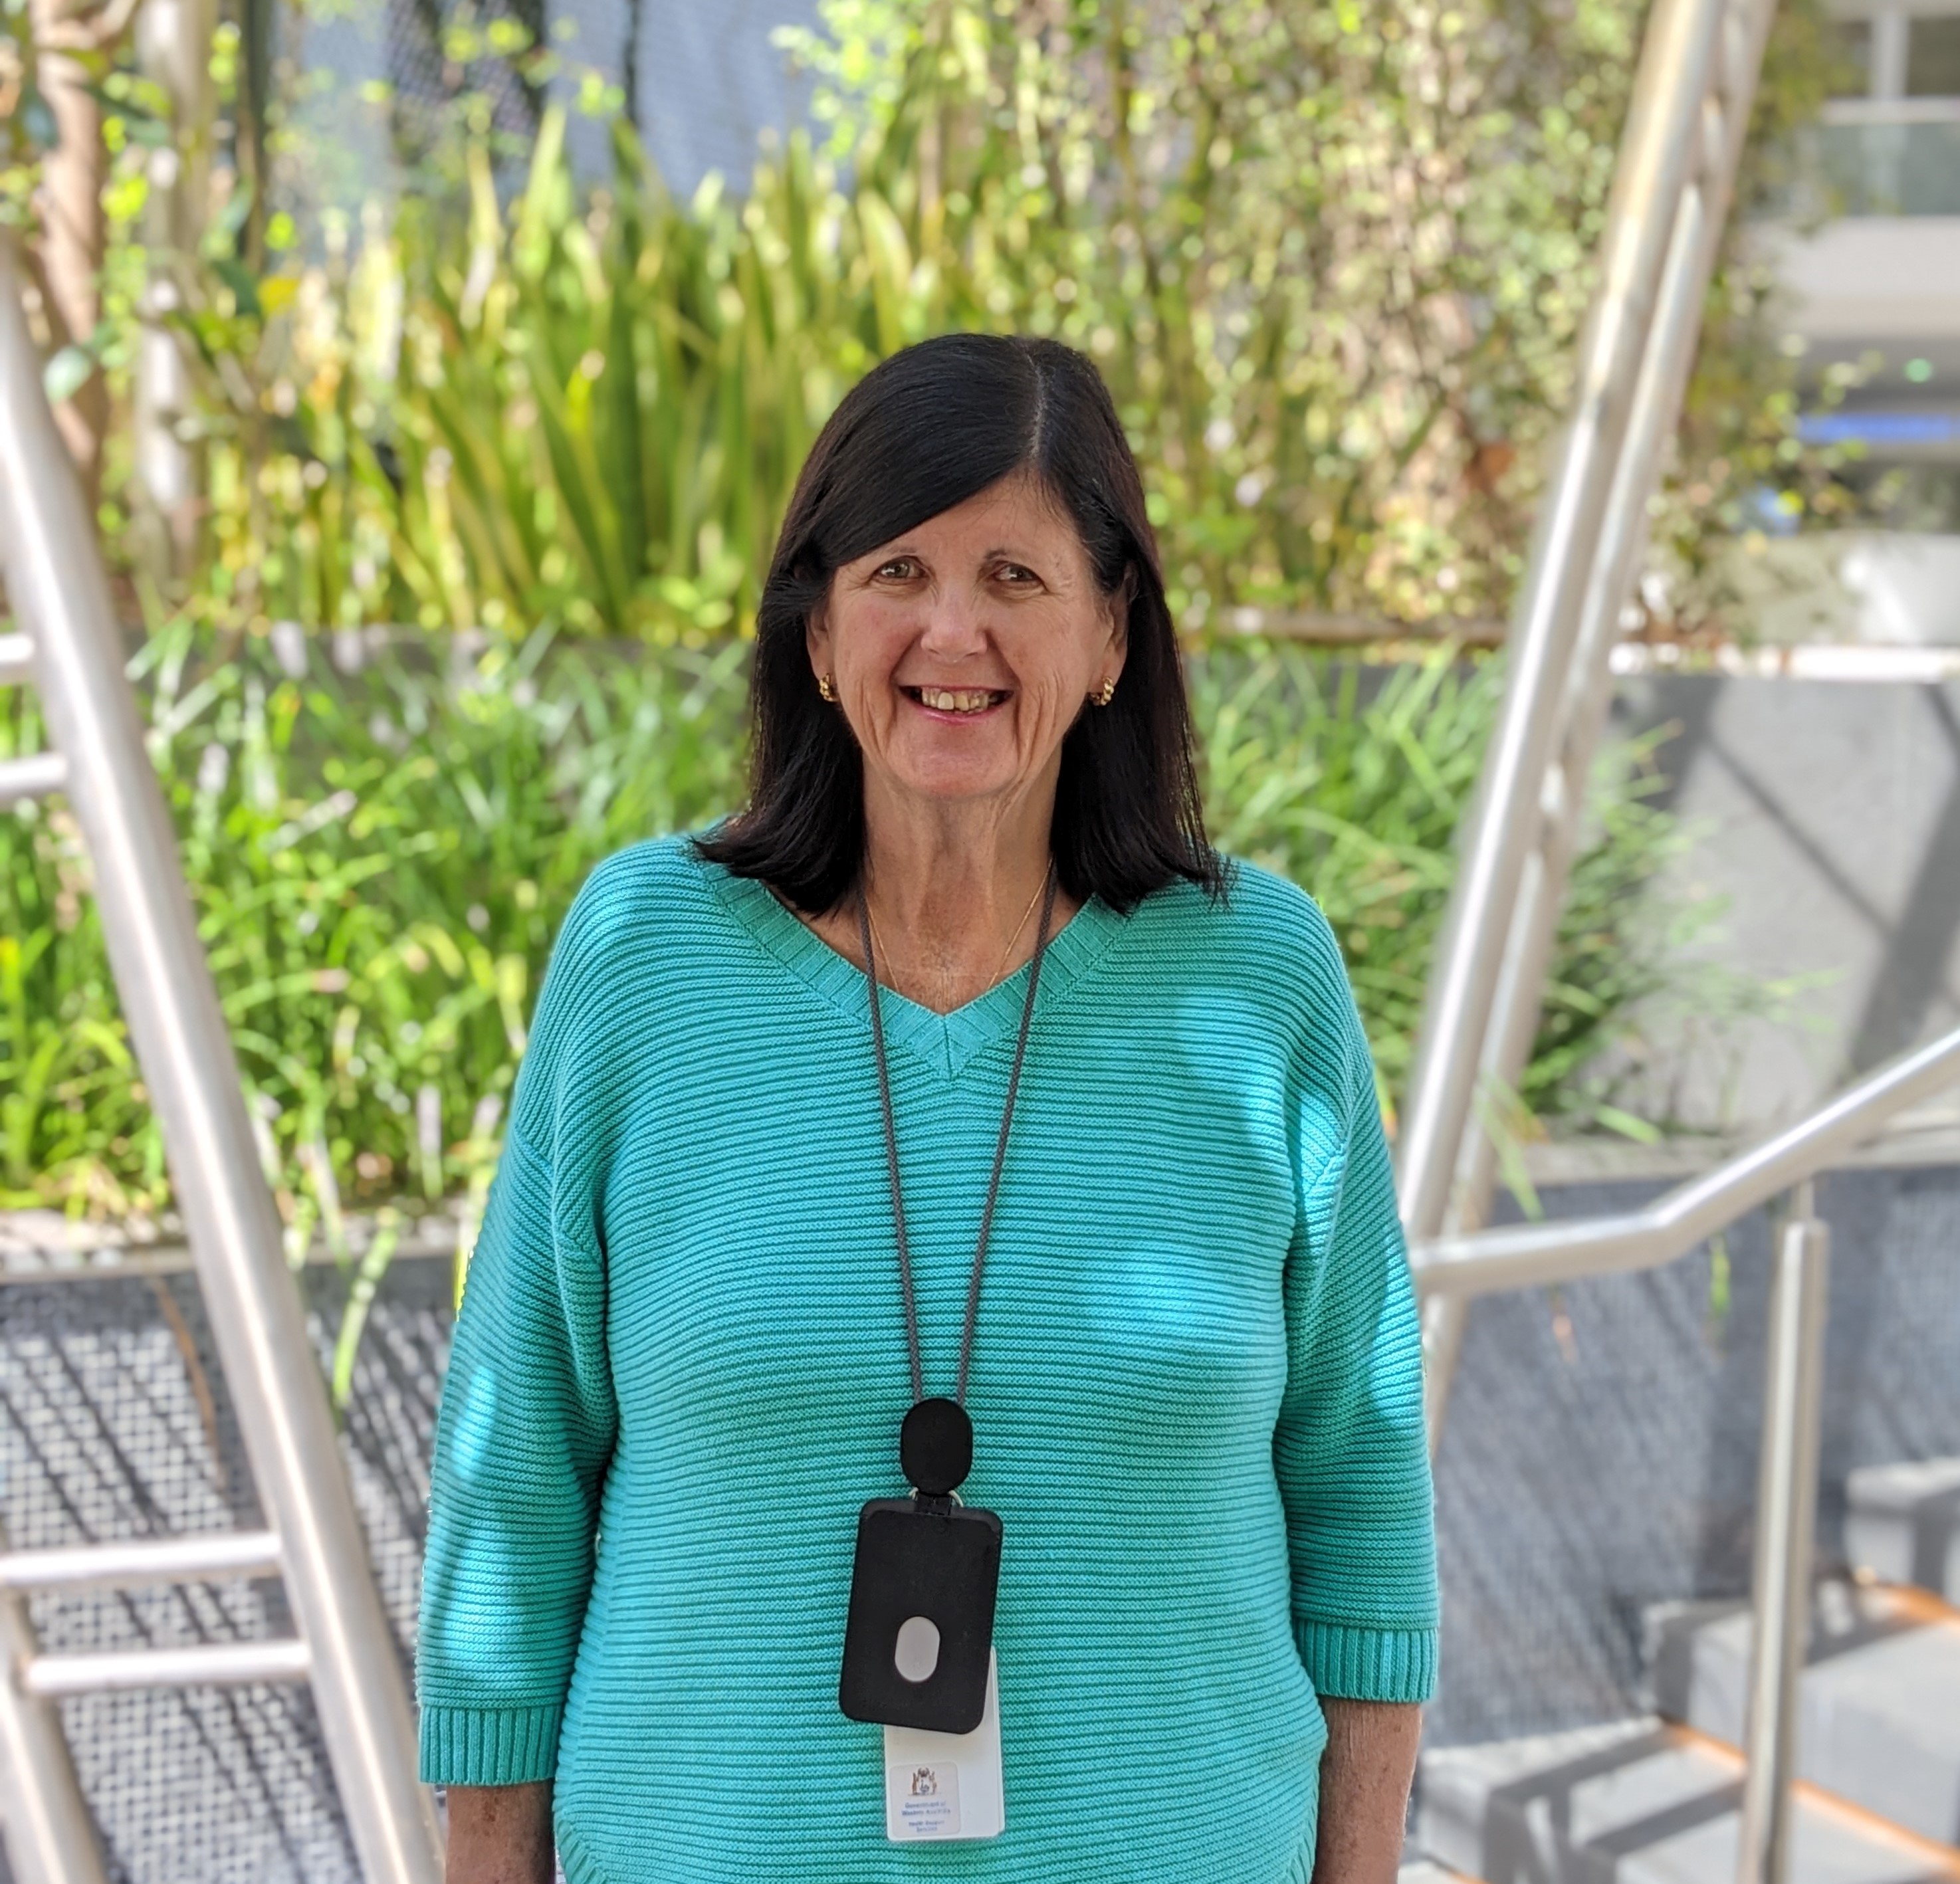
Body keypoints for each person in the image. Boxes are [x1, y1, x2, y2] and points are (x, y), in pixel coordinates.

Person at [417, 333, 1437, 1884]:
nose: (948, 629)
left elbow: (1360, 1495)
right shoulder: (644, 960)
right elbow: (517, 1473)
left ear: (1110, 636)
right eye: (896, 567)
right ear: (817, 630)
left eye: (1015, 576)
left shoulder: (1257, 973)